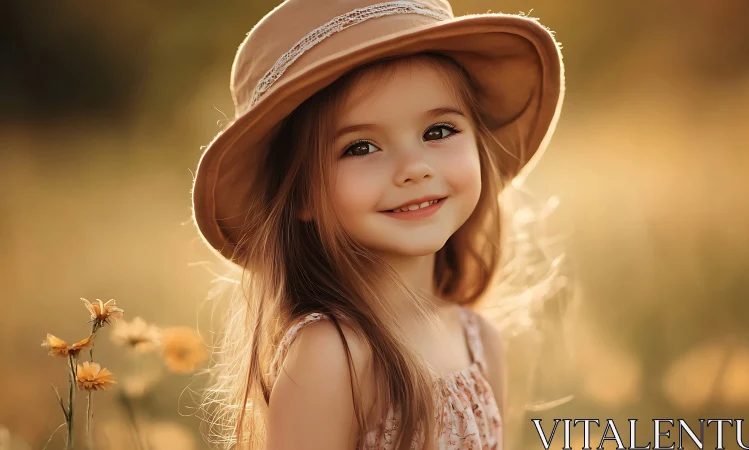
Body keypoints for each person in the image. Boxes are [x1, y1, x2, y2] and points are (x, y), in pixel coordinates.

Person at [190, 0, 565, 449]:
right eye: (362, 147)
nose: (414, 168)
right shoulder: (333, 355)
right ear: (303, 194)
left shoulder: (478, 340)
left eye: (439, 131)